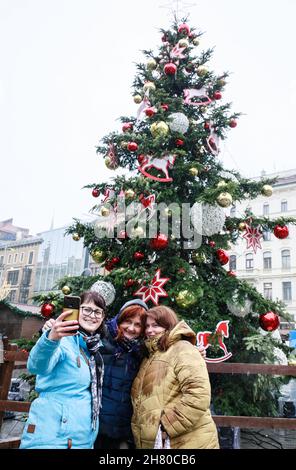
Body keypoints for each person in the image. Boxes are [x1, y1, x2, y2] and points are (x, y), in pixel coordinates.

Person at [20, 291, 106, 449]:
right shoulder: (62, 340)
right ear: (76, 311)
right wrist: (51, 339)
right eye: (87, 309)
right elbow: (37, 366)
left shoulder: (93, 350)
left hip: (82, 440)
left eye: (98, 311)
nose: (92, 315)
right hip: (52, 438)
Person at [131, 305, 219, 449]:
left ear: (168, 326)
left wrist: (167, 426)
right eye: (147, 326)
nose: (149, 330)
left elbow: (198, 395)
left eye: (156, 325)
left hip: (186, 441)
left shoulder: (183, 349)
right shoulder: (151, 355)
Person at [95, 299, 148, 449]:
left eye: (138, 325)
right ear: (119, 320)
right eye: (127, 321)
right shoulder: (102, 338)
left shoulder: (142, 351)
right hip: (95, 425)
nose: (131, 328)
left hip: (123, 427)